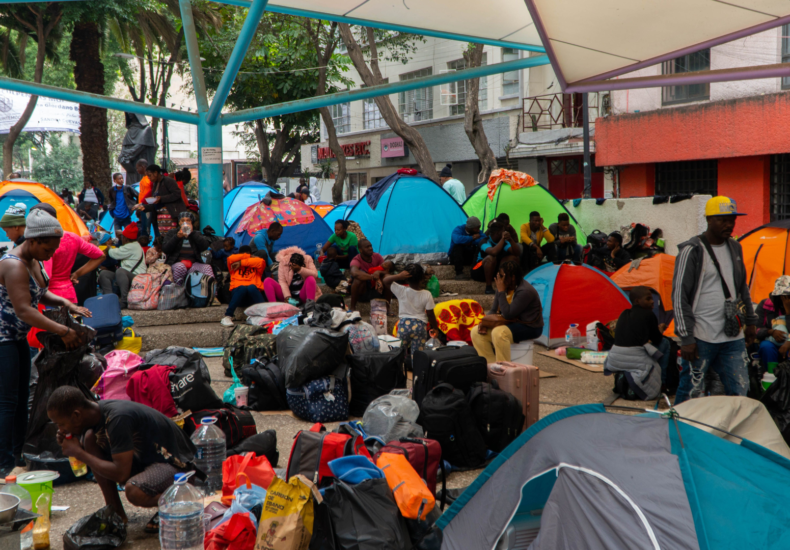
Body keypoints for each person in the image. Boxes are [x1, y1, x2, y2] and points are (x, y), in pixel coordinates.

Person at [0, 211, 91, 475]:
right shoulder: (13, 265)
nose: (50, 255)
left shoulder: (33, 261)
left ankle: (19, 455)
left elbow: (39, 294)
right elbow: (24, 310)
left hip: (15, 338)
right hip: (3, 340)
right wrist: (63, 331)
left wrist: (66, 303)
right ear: (33, 240)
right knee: (7, 402)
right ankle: (5, 464)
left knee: (20, 400)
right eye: (47, 249)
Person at [47, 387, 198, 531]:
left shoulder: (117, 418)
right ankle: (116, 513)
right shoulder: (92, 417)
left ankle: (181, 500)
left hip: (178, 466)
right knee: (89, 440)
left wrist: (79, 453)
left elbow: (121, 474)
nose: (60, 429)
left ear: (76, 416)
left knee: (135, 491)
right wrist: (75, 442)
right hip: (148, 461)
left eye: (61, 424)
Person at [673, 196, 758, 405]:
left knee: (740, 390)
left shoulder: (735, 247)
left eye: (732, 220)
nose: (729, 225)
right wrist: (686, 338)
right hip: (701, 336)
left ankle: (732, 426)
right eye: (723, 220)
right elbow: (679, 296)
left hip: (732, 336)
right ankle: (680, 425)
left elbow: (742, 288)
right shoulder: (691, 250)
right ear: (709, 219)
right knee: (692, 392)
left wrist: (750, 321)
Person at [605, 286, 671, 398]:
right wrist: (660, 330)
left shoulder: (624, 313)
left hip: (615, 359)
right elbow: (657, 339)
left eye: (652, 298)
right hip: (634, 359)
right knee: (665, 343)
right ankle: (662, 383)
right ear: (637, 301)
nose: (652, 301)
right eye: (648, 299)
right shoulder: (649, 315)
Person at [470, 261, 543, 363]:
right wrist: (485, 322)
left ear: (512, 277)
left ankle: (503, 367)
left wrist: (501, 292)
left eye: (502, 275)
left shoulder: (525, 291)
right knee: (476, 332)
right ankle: (490, 365)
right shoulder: (504, 286)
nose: (499, 278)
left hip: (529, 326)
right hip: (511, 322)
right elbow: (493, 310)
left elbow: (508, 314)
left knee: (499, 333)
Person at [36, 204, 105, 304]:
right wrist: (76, 274)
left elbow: (46, 276)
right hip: (69, 295)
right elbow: (100, 256)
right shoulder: (72, 237)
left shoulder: (44, 243)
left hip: (49, 299)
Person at [383, 263, 438, 358]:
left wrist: (399, 276)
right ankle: (416, 367)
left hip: (404, 326)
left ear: (406, 279)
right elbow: (430, 314)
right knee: (418, 356)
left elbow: (385, 280)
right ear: (422, 278)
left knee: (400, 354)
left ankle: (402, 366)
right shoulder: (427, 294)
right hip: (420, 327)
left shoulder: (401, 290)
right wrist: (435, 328)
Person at [99, 223, 146, 309]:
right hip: (127, 275)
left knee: (120, 271)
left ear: (126, 238)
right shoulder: (130, 245)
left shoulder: (132, 246)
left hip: (137, 277)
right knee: (104, 274)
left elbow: (116, 254)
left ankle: (124, 300)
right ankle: (109, 299)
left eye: (122, 237)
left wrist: (108, 248)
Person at [132, 164, 186, 236]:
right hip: (160, 216)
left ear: (155, 173)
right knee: (163, 237)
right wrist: (144, 207)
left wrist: (161, 198)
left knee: (171, 236)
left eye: (150, 175)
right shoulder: (155, 184)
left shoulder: (168, 181)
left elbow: (177, 194)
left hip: (170, 215)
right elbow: (155, 203)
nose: (149, 178)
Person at [162, 212, 214, 285]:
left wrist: (192, 233)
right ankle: (178, 288)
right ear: (179, 222)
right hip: (176, 264)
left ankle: (211, 290)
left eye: (188, 220)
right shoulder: (172, 233)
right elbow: (165, 249)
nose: (185, 222)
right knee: (180, 267)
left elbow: (204, 247)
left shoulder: (196, 233)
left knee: (207, 268)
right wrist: (177, 237)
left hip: (193, 264)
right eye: (182, 220)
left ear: (191, 223)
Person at [221, 245, 265, 327]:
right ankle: (228, 316)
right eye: (242, 255)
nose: (244, 256)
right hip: (238, 296)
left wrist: (241, 263)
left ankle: (265, 315)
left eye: (247, 254)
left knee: (251, 287)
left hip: (253, 297)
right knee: (242, 288)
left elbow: (261, 261)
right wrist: (247, 256)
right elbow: (230, 258)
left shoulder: (256, 265)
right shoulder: (233, 265)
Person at [473, 220, 521, 295]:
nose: (505, 232)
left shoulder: (505, 242)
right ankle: (488, 287)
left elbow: (517, 253)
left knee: (513, 258)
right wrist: (502, 239)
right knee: (490, 258)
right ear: (498, 233)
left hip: (494, 271)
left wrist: (511, 239)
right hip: (478, 270)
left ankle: (508, 285)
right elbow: (493, 252)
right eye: (503, 231)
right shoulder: (484, 241)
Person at [755, 276, 790, 368]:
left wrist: (788, 312)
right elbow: (756, 330)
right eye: (783, 297)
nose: (786, 299)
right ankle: (771, 373)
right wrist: (771, 332)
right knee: (766, 347)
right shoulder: (765, 305)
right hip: (770, 341)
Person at [348, 239, 388, 312]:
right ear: (360, 250)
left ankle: (388, 308)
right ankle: (352, 307)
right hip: (363, 291)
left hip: (377, 288)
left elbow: (387, 271)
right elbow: (354, 272)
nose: (370, 248)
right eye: (367, 247)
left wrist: (378, 272)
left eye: (371, 246)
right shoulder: (356, 259)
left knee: (387, 278)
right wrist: (373, 277)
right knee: (358, 279)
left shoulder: (377, 256)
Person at [135, 159, 154, 237]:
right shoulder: (143, 179)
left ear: (143, 167)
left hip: (147, 206)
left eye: (138, 168)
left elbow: (151, 192)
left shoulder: (150, 179)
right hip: (142, 206)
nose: (137, 170)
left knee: (146, 228)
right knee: (143, 227)